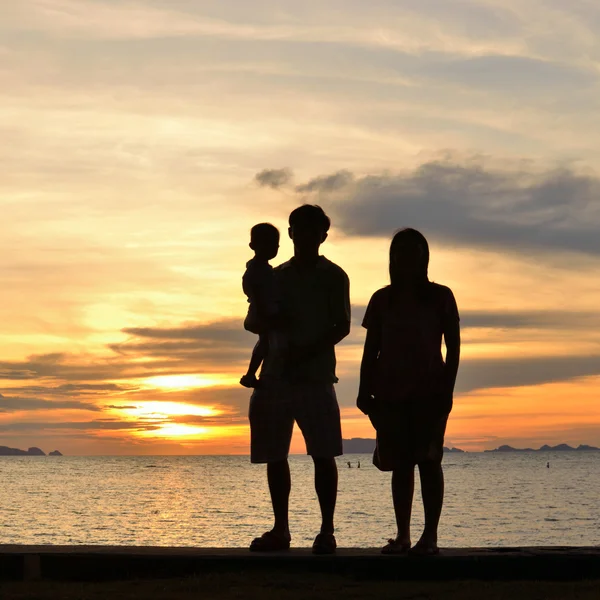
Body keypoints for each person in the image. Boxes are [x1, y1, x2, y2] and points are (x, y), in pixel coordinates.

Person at [248, 204, 351, 554]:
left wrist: (306, 351)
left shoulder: (335, 276)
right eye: (298, 229)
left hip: (317, 377)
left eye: (313, 230)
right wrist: (272, 322)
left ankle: (326, 530)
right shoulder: (274, 276)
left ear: (323, 234)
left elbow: (343, 325)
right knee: (275, 455)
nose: (305, 236)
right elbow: (251, 322)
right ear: (290, 233)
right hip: (275, 376)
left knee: (323, 455)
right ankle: (281, 529)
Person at [357, 228, 460, 556]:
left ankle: (429, 537)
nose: (407, 258)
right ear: (393, 257)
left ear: (424, 256)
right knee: (400, 465)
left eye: (413, 252)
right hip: (389, 393)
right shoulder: (381, 299)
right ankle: (403, 535)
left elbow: (454, 347)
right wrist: (363, 390)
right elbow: (370, 349)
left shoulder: (441, 296)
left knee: (429, 462)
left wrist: (448, 390)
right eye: (400, 252)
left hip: (430, 391)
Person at [240, 223, 280, 388]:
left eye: (274, 244)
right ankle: (250, 374)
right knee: (266, 341)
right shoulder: (257, 270)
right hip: (261, 312)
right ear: (253, 246)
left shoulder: (262, 268)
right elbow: (254, 291)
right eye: (265, 243)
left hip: (262, 310)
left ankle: (251, 374)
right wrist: (266, 311)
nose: (270, 248)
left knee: (266, 341)